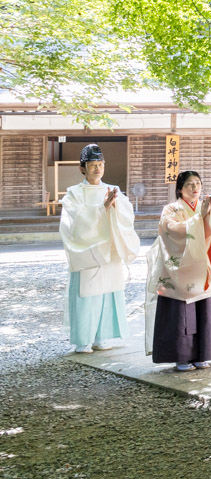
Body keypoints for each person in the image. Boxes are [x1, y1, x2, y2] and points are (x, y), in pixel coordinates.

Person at [145, 170, 211, 371]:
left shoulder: (206, 206)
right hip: (180, 270)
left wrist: (208, 215)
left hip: (204, 266)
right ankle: (182, 357)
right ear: (180, 189)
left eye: (198, 184)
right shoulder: (171, 209)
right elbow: (170, 231)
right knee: (181, 312)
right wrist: (198, 220)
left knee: (205, 309)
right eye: (189, 184)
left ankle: (204, 353)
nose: (195, 188)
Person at [59, 143, 140, 354]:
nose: (97, 168)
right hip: (87, 251)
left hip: (109, 250)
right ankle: (83, 340)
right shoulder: (74, 193)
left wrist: (115, 206)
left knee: (108, 293)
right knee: (86, 294)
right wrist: (101, 208)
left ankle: (102, 336)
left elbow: (126, 215)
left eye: (100, 164)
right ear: (82, 168)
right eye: (92, 164)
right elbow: (74, 221)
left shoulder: (113, 190)